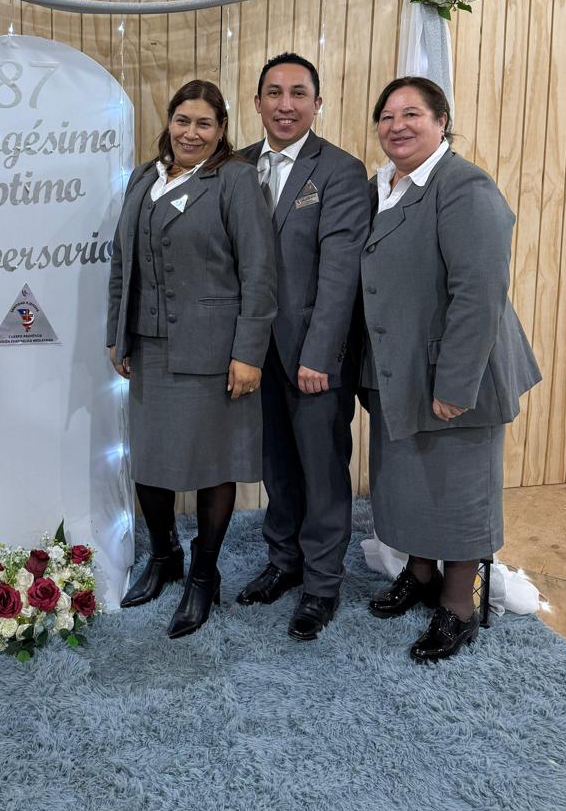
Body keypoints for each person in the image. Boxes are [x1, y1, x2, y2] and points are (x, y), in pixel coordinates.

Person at [360, 76, 541, 662]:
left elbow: (479, 292)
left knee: (460, 488)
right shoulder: (384, 186)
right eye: (387, 116)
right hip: (400, 366)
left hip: (456, 371)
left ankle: (460, 605)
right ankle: (420, 574)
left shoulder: (465, 187)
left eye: (412, 114)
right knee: (412, 479)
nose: (398, 126)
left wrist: (456, 383)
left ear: (442, 122)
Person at [107, 79, 277, 639]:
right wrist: (117, 335)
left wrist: (248, 353)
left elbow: (259, 271)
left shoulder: (234, 180)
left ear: (221, 129)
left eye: (204, 123)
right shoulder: (143, 177)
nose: (191, 132)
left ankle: (205, 575)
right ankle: (165, 556)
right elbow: (121, 263)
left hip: (214, 351)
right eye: (183, 120)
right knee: (150, 463)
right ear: (169, 122)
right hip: (149, 346)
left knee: (211, 465)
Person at [235, 53, 371, 640]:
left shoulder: (339, 170)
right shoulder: (236, 166)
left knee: (322, 470)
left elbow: (341, 273)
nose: (285, 104)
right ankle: (284, 560)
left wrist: (321, 353)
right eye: (274, 92)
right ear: (257, 102)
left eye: (298, 93)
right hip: (251, 352)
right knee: (276, 465)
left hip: (313, 354)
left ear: (318, 103)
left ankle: (321, 584)